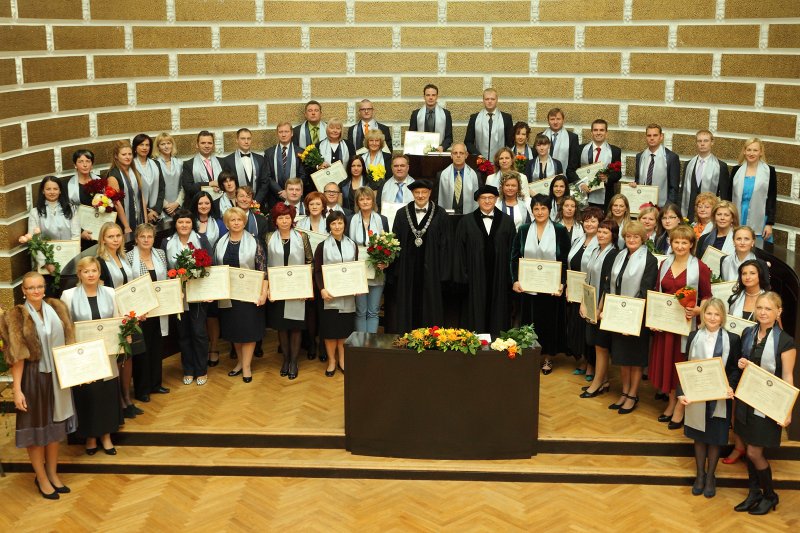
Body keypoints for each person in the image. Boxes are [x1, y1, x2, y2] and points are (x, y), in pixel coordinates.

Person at [1, 272, 77, 499]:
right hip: (32, 378)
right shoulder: (16, 315)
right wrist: (17, 389)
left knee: (54, 429)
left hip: (57, 375)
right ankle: (41, 477)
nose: (36, 291)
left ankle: (52, 474)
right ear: (23, 290)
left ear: (45, 288)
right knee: (36, 431)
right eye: (31, 288)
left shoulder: (56, 308)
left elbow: (69, 345)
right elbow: (17, 357)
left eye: (39, 287)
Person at [733, 292, 795, 515]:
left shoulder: (786, 341)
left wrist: (787, 410)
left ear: (778, 311)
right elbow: (747, 362)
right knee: (748, 445)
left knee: (753, 452)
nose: (762, 312)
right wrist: (742, 363)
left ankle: (770, 495)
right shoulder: (748, 332)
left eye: (768, 308)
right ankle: (753, 493)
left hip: (767, 404)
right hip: (746, 399)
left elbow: (788, 377)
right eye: (759, 307)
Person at [677, 298, 742, 499]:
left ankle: (711, 476)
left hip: (719, 396)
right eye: (708, 313)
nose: (712, 318)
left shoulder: (732, 339)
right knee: (699, 436)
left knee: (714, 437)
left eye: (716, 314)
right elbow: (686, 367)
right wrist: (682, 392)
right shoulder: (694, 335)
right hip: (696, 395)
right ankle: (700, 475)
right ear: (702, 314)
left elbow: (733, 369)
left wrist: (730, 387)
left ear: (723, 317)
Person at [650, 225, 712, 430]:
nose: (680, 245)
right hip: (666, 327)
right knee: (667, 365)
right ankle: (670, 403)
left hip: (686, 328)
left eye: (684, 242)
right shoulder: (664, 264)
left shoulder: (699, 267)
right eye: (676, 241)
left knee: (680, 366)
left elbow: (707, 297)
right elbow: (657, 292)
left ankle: (679, 406)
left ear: (692, 244)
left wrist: (697, 311)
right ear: (671, 243)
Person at [60, 257, 123, 456]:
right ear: (79, 274)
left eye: (94, 270)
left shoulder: (111, 293)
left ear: (99, 273)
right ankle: (90, 437)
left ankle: (106, 436)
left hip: (107, 352)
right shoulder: (68, 296)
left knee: (106, 394)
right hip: (83, 356)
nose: (90, 274)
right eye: (86, 271)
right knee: (87, 395)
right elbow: (65, 326)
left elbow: (118, 320)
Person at [511, 194, 570, 375]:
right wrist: (515, 280)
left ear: (549, 210)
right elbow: (514, 257)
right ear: (532, 210)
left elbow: (565, 259)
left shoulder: (559, 230)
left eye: (543, 208)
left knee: (549, 322)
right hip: (527, 288)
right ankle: (530, 356)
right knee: (529, 321)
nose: (540, 212)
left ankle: (547, 358)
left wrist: (562, 283)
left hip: (551, 289)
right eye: (536, 208)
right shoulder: (523, 229)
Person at [605, 220, 659, 415]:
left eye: (636, 236)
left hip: (637, 317)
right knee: (622, 357)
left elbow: (646, 290)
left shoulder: (650, 260)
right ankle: (625, 392)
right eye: (628, 236)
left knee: (634, 359)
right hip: (618, 315)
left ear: (643, 238)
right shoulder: (620, 255)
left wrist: (630, 316)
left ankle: (633, 394)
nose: (632, 239)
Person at [723, 259, 770, 467]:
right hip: (735, 355)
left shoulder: (768, 299)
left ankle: (755, 447)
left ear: (760, 275)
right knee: (735, 403)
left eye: (752, 273)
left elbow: (776, 331)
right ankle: (739, 445)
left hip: (758, 359)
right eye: (744, 273)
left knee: (752, 405)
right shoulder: (735, 297)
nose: (748, 277)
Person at [386, 179, 450, 333]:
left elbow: (446, 245)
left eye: (424, 192)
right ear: (412, 193)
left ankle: (430, 341)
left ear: (430, 193)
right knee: (408, 306)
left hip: (432, 271)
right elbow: (395, 242)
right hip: (407, 271)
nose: (420, 196)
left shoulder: (441, 214)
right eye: (417, 192)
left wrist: (443, 273)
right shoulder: (402, 214)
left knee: (430, 306)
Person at [453, 185, 515, 337]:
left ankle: (498, 345)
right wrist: (462, 277)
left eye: (491, 198)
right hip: (475, 279)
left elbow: (513, 252)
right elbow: (459, 252)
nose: (487, 201)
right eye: (483, 198)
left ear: (496, 199)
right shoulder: (466, 222)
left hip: (499, 278)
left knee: (498, 313)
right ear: (477, 200)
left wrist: (510, 278)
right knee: (475, 313)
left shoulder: (507, 221)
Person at [215, 207, 268, 384]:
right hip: (229, 295)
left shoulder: (255, 242)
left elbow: (263, 270)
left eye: (239, 220)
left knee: (248, 331)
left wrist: (263, 293)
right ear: (227, 223)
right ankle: (239, 361)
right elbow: (216, 270)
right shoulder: (219, 243)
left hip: (249, 295)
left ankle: (246, 366)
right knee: (234, 332)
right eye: (232, 220)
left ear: (244, 222)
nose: (236, 223)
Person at [95, 222, 140, 419]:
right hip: (113, 315)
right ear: (103, 239)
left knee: (128, 356)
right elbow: (102, 293)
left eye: (118, 236)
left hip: (128, 313)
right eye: (111, 236)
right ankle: (119, 401)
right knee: (117, 357)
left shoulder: (122, 256)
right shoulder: (100, 261)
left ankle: (127, 397)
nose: (115, 239)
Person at [162, 209, 212, 385]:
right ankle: (188, 369)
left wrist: (209, 292)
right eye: (180, 222)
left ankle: (201, 370)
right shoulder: (166, 242)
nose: (184, 225)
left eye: (188, 222)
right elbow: (164, 268)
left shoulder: (201, 240)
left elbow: (210, 268)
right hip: (177, 295)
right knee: (183, 334)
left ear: (193, 224)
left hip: (198, 295)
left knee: (198, 332)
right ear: (175, 224)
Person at [266, 203, 314, 378]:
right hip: (278, 290)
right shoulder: (269, 238)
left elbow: (310, 261)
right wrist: (269, 288)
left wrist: (305, 286)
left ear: (292, 219)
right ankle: (285, 359)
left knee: (295, 327)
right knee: (282, 327)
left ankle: (294, 361)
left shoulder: (302, 237)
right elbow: (265, 265)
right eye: (281, 218)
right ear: (275, 220)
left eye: (287, 217)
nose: (284, 221)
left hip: (297, 290)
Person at [126, 224, 169, 399]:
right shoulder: (129, 257)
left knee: (156, 347)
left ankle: (155, 384)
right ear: (136, 239)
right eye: (142, 236)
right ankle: (142, 389)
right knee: (141, 350)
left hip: (158, 308)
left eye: (149, 236)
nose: (146, 240)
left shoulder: (160, 254)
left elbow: (165, 280)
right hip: (140, 311)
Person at [20, 176, 80, 295]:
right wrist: (46, 263)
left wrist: (69, 261)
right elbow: (34, 241)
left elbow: (76, 236)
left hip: (69, 264)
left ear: (60, 190)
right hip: (46, 267)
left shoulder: (72, 209)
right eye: (48, 189)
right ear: (43, 190)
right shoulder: (35, 213)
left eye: (55, 189)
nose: (52, 192)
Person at [314, 211, 358, 375]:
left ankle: (342, 360)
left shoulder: (352, 244)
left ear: (344, 225)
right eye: (333, 223)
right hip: (329, 297)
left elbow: (355, 270)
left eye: (340, 223)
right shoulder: (322, 246)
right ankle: (332, 361)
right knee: (331, 332)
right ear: (329, 226)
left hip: (347, 297)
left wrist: (357, 286)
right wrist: (322, 289)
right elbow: (317, 271)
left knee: (344, 332)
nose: (337, 226)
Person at [579, 219, 619, 396]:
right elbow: (587, 279)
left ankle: (597, 383)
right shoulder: (595, 250)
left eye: (605, 232)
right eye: (600, 231)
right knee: (595, 344)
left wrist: (599, 309)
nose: (601, 235)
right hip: (591, 303)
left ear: (613, 236)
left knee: (602, 346)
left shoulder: (613, 254)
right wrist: (583, 302)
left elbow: (608, 285)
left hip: (602, 308)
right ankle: (603, 380)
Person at [188, 191, 225, 366]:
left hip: (215, 272)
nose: (204, 206)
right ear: (195, 205)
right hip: (193, 275)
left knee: (213, 314)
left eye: (207, 203)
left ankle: (214, 348)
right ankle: (200, 349)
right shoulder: (189, 223)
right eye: (200, 203)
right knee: (197, 314)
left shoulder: (219, 223)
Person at [566, 207, 602, 376]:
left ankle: (592, 365)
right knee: (578, 329)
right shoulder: (578, 240)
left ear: (599, 224)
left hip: (590, 294)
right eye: (586, 220)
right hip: (574, 293)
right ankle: (583, 360)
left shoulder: (601, 244)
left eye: (593, 220)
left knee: (589, 331)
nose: (589, 223)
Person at [348, 187, 390, 333]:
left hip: (377, 270)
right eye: (361, 199)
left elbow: (388, 244)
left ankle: (370, 345)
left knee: (373, 311)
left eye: (368, 198)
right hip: (358, 271)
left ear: (373, 201)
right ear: (357, 202)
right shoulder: (350, 220)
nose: (365, 202)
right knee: (360, 311)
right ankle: (360, 344)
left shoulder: (382, 220)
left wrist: (386, 262)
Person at [730, 138, 777, 243]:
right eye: (749, 150)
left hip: (760, 218)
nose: (751, 153)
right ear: (744, 151)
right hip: (738, 214)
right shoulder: (736, 170)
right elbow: (729, 197)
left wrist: (769, 224)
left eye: (755, 150)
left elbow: (772, 199)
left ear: (760, 152)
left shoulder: (769, 171)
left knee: (759, 250)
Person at [679, 130, 731, 219]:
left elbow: (724, 195)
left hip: (709, 214)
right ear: (696, 143)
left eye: (706, 141)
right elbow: (682, 191)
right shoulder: (688, 164)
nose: (702, 144)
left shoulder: (720, 166)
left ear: (712, 142)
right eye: (699, 141)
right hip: (689, 213)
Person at [578, 119, 622, 209]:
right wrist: (580, 184)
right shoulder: (580, 149)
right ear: (591, 132)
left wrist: (607, 178)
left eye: (601, 130)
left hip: (605, 197)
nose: (598, 133)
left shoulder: (615, 151)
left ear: (606, 132)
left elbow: (618, 174)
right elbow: (571, 170)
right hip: (583, 194)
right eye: (595, 130)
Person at [633, 124, 681, 207]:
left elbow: (674, 188)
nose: (652, 138)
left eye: (655, 135)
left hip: (663, 206)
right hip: (642, 205)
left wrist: (667, 208)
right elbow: (638, 180)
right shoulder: (640, 156)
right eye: (649, 135)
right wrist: (634, 186)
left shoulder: (671, 157)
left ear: (661, 137)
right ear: (646, 137)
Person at [106, 139, 147, 234]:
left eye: (130, 154)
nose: (128, 157)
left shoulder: (135, 172)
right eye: (124, 155)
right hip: (123, 223)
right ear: (116, 156)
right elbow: (117, 203)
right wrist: (126, 226)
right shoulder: (113, 176)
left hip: (139, 218)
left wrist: (145, 221)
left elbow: (141, 197)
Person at [464, 87, 513, 161]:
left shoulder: (506, 118)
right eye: (487, 99)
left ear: (497, 100)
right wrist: (478, 155)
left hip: (501, 161)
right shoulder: (474, 118)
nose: (489, 101)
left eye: (492, 99)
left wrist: (504, 157)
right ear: (483, 100)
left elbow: (510, 142)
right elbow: (468, 142)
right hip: (479, 161)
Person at [263, 122, 306, 206]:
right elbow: (267, 176)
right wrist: (280, 191)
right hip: (275, 197)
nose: (283, 135)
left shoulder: (301, 152)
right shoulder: (269, 153)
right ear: (277, 134)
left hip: (295, 196)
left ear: (292, 133)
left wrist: (290, 191)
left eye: (286, 132)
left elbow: (303, 175)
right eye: (280, 132)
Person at [221, 128, 265, 202]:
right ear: (237, 140)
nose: (246, 141)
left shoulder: (260, 159)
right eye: (243, 139)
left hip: (258, 203)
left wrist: (257, 201)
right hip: (237, 203)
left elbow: (264, 182)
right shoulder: (227, 161)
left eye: (249, 139)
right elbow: (227, 183)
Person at [435, 143, 479, 214]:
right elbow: (436, 200)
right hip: (447, 217)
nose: (458, 155)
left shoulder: (476, 176)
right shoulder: (441, 175)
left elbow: (479, 199)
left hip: (469, 218)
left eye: (461, 153)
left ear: (466, 155)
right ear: (451, 155)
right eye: (455, 153)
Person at [180, 130, 222, 203]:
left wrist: (220, 186)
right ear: (197, 145)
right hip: (198, 205)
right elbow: (189, 188)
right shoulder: (188, 164)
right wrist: (209, 184)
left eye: (209, 143)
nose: (206, 146)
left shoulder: (222, 162)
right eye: (203, 143)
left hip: (219, 204)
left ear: (213, 145)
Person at [407, 83, 453, 151]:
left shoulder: (446, 114)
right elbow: (412, 136)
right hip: (420, 153)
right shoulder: (416, 114)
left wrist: (442, 147)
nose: (430, 97)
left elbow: (449, 137)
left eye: (433, 95)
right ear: (424, 97)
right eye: (428, 95)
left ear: (437, 97)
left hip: (439, 152)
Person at [539, 107, 580, 183]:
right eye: (552, 119)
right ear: (548, 121)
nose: (555, 122)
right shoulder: (540, 136)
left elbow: (573, 163)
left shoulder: (572, 138)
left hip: (564, 180)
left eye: (558, 119)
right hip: (542, 179)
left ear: (563, 120)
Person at [131, 133, 165, 223]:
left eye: (147, 145)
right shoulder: (131, 166)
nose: (145, 148)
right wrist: (146, 213)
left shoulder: (156, 164)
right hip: (138, 214)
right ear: (135, 147)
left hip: (156, 214)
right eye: (141, 145)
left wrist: (156, 211)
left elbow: (161, 189)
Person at [154, 132, 184, 218]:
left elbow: (183, 185)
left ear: (172, 145)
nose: (166, 146)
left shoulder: (179, 163)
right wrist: (166, 205)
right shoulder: (154, 164)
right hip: (161, 208)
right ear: (158, 147)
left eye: (168, 143)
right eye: (162, 144)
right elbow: (154, 188)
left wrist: (177, 203)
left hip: (179, 206)